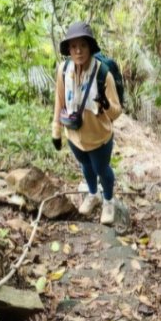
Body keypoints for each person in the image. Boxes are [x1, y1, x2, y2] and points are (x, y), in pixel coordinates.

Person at [51, 22, 122, 225]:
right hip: (74, 135)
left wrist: (106, 104)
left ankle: (108, 201)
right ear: (68, 49)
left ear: (90, 47)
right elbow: (59, 100)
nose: (78, 51)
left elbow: (116, 112)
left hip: (99, 137)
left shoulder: (103, 74)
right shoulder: (64, 70)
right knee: (85, 166)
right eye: (73, 46)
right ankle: (93, 194)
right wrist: (56, 129)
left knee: (102, 169)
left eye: (83, 45)